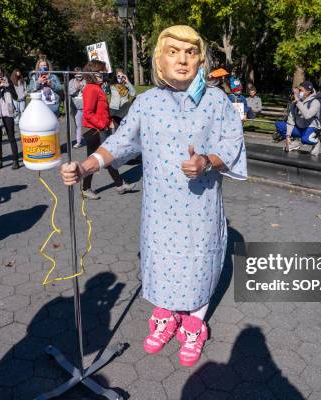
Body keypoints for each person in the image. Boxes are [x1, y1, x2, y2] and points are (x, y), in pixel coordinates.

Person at [60, 25, 247, 367]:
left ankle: (194, 323)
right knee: (161, 259)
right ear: (159, 58)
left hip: (200, 207)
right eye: (173, 51)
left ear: (200, 59)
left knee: (198, 260)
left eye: (190, 53)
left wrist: (206, 162)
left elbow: (231, 147)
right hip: (159, 209)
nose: (182, 60)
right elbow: (119, 143)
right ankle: (166, 314)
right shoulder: (146, 103)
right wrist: (86, 167)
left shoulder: (217, 101)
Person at [79, 60, 136, 200]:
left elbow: (102, 110)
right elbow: (88, 113)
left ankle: (118, 184)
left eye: (102, 71)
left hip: (98, 129)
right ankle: (88, 188)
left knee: (104, 157)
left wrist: (108, 120)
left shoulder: (97, 87)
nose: (101, 74)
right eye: (99, 71)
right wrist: (102, 125)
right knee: (100, 158)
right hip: (93, 131)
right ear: (92, 73)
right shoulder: (91, 88)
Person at [274, 81, 321, 155]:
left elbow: (307, 115)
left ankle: (316, 141)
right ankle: (294, 143)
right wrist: (287, 136)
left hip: (311, 127)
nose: (298, 92)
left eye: (301, 90)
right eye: (298, 90)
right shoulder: (295, 102)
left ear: (308, 92)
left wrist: (298, 101)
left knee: (305, 140)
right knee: (279, 125)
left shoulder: (315, 102)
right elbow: (291, 120)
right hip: (299, 128)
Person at [68, 67, 86, 148]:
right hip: (75, 106)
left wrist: (82, 89)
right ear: (74, 74)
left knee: (87, 124)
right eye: (77, 74)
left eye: (80, 74)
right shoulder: (71, 82)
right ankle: (78, 141)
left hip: (85, 106)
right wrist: (76, 88)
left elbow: (89, 92)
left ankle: (92, 139)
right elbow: (70, 92)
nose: (79, 76)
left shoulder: (86, 81)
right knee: (78, 124)